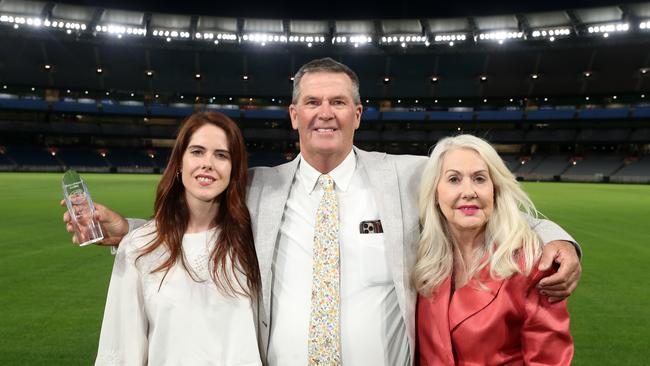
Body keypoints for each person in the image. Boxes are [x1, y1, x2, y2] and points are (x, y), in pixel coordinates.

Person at [64, 58, 582, 366]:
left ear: (358, 114)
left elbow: (483, 194)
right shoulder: (258, 187)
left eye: (338, 102)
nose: (325, 113)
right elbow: (198, 226)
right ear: (294, 115)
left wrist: (557, 238)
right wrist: (129, 232)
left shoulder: (406, 174)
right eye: (312, 102)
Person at [93, 112, 262, 365]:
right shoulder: (140, 246)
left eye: (221, 155)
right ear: (180, 163)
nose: (208, 163)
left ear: (234, 169)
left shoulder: (254, 239)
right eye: (197, 151)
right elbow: (121, 348)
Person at [415, 134, 573, 365]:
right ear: (435, 194)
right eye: (453, 179)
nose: (468, 191)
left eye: (479, 179)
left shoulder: (533, 265)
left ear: (495, 190)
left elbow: (548, 360)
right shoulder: (422, 261)